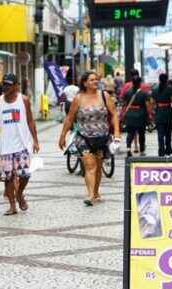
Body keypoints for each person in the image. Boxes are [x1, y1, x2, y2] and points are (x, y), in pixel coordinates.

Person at [58, 71, 121, 206]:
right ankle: (90, 194)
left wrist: (116, 133)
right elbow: (69, 118)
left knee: (98, 167)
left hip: (102, 138)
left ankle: (96, 192)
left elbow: (114, 114)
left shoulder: (104, 96)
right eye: (91, 80)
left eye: (96, 79)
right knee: (90, 166)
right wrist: (62, 136)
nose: (95, 82)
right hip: (83, 137)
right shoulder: (78, 98)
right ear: (85, 83)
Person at [0, 74, 40, 216]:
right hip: (5, 146)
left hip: (22, 144)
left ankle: (20, 193)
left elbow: (30, 121)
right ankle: (12, 205)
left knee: (24, 175)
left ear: (16, 86)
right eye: (4, 84)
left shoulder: (23, 100)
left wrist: (35, 139)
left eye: (9, 84)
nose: (5, 87)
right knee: (8, 178)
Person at [123, 76, 152, 157]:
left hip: (130, 115)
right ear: (140, 84)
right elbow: (147, 106)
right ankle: (142, 150)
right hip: (140, 116)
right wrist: (149, 116)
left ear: (132, 82)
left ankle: (128, 148)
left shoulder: (127, 92)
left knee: (130, 133)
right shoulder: (143, 93)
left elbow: (125, 104)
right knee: (141, 133)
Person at [153, 74, 172, 157]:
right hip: (168, 113)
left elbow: (152, 102)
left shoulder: (154, 90)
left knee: (160, 134)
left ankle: (161, 151)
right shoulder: (170, 89)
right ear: (167, 79)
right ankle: (168, 149)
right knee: (168, 133)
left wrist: (152, 113)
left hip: (159, 113)